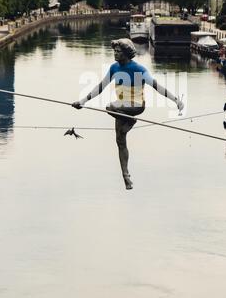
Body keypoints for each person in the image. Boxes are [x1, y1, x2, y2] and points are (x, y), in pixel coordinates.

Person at [72, 38, 183, 190]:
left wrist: (176, 100)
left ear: (126, 53)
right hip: (121, 109)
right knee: (120, 140)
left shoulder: (139, 69)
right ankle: (126, 175)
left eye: (118, 52)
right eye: (114, 51)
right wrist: (82, 101)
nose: (115, 54)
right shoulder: (114, 68)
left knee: (109, 107)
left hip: (136, 106)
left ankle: (131, 121)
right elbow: (100, 87)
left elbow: (157, 86)